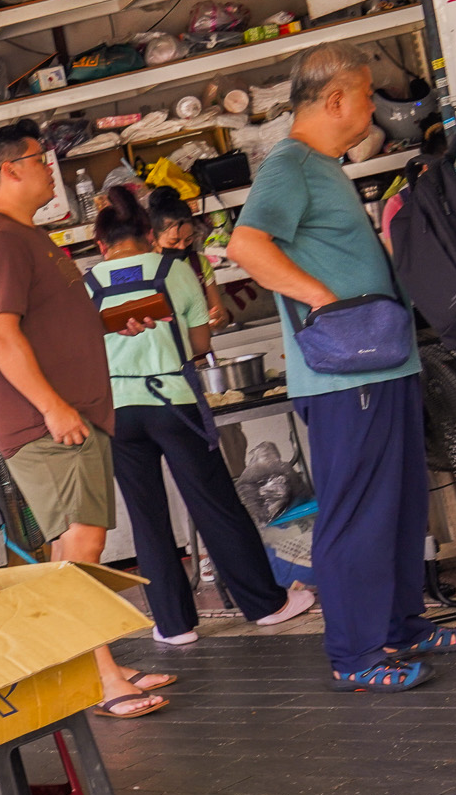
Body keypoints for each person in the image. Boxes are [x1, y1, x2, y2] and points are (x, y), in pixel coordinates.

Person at [228, 43, 456, 689]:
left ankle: (401, 627)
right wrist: (321, 299)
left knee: (396, 506)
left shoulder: (322, 166)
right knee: (358, 512)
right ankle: (356, 653)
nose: (373, 107)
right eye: (366, 95)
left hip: (380, 365)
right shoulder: (289, 165)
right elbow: (245, 244)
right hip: (345, 376)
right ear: (334, 98)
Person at [0, 119, 175, 718]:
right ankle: (97, 679)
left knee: (75, 548)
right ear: (10, 170)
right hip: (48, 422)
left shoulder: (30, 236)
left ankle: (98, 668)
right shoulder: (1, 240)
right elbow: (0, 335)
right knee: (81, 546)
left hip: (71, 415)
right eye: (40, 158)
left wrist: (114, 322)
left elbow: (46, 325)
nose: (48, 168)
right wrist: (53, 406)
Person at [84, 185, 317, 643]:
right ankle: (265, 604)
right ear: (149, 234)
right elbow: (200, 344)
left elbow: (87, 353)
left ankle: (173, 626)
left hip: (119, 413)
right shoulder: (174, 270)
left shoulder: (88, 285)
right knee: (214, 505)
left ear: (100, 244)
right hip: (174, 404)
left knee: (147, 517)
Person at [149, 186, 233, 332]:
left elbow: (220, 314)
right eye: (173, 242)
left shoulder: (198, 264)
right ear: (153, 238)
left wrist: (218, 320)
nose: (182, 247)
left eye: (188, 240)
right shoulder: (146, 269)